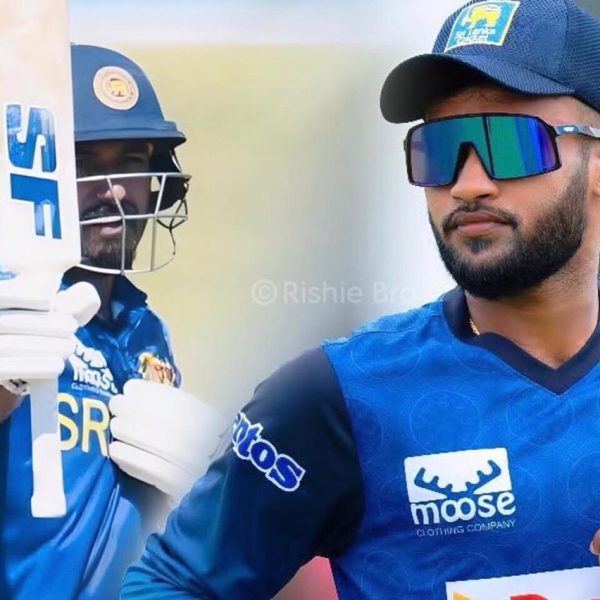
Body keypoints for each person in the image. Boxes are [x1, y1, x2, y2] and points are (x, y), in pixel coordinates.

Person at [122, 0, 600, 598]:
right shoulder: (336, 393)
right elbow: (171, 583)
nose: (468, 183)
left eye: (510, 143)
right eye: (439, 148)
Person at [0, 44, 224, 599]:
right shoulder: (11, 304)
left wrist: (210, 488)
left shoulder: (150, 332)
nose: (115, 189)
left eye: (131, 162)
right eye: (84, 164)